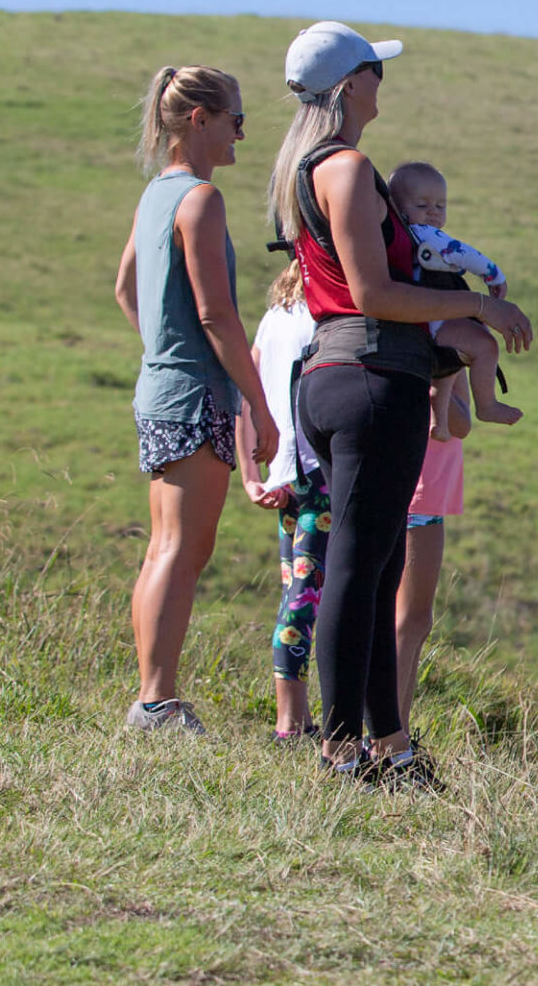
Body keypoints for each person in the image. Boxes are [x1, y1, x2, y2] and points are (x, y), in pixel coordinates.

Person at [269, 21, 532, 785]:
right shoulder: (347, 168)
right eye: (374, 72)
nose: (383, 82)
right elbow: (374, 294)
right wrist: (477, 312)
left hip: (338, 379)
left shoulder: (306, 167)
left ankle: (390, 745)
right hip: (371, 382)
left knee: (375, 569)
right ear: (351, 86)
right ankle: (342, 747)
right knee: (359, 568)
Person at [112, 63, 275, 734]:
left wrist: (162, 347)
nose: (243, 131)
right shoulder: (201, 200)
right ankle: (157, 701)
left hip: (159, 390)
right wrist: (258, 406)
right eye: (236, 117)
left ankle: (154, 696)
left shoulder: (158, 193)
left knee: (164, 546)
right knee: (183, 548)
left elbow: (127, 288)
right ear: (201, 120)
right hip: (196, 396)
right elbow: (217, 316)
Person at [235, 263, 326, 740]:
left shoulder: (275, 316)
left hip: (283, 476)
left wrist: (251, 476)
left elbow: (246, 393)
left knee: (296, 593)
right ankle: (291, 723)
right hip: (317, 472)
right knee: (306, 601)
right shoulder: (322, 315)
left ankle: (300, 717)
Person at [386, 161, 519, 438]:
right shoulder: (425, 234)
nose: (432, 212)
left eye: (440, 206)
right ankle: (487, 404)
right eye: (422, 206)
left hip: (420, 318)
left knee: (450, 361)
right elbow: (463, 253)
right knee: (484, 345)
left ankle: (439, 420)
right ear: (397, 209)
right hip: (435, 315)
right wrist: (494, 275)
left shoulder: (397, 239)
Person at [394, 370, 472, 725]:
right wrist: (447, 369)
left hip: (419, 491)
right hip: (420, 494)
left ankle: (389, 732)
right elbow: (460, 423)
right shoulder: (439, 342)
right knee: (410, 621)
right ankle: (388, 738)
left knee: (407, 620)